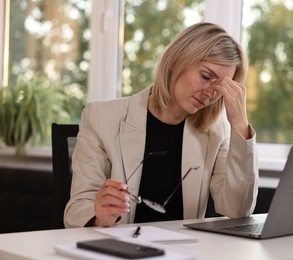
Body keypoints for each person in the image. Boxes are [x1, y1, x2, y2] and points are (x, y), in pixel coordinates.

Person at [64, 22, 259, 228]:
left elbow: (238, 209)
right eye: (206, 76)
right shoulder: (101, 117)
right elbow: (77, 208)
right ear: (176, 61)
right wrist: (98, 215)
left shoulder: (218, 131)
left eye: (221, 86)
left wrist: (240, 124)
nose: (211, 93)